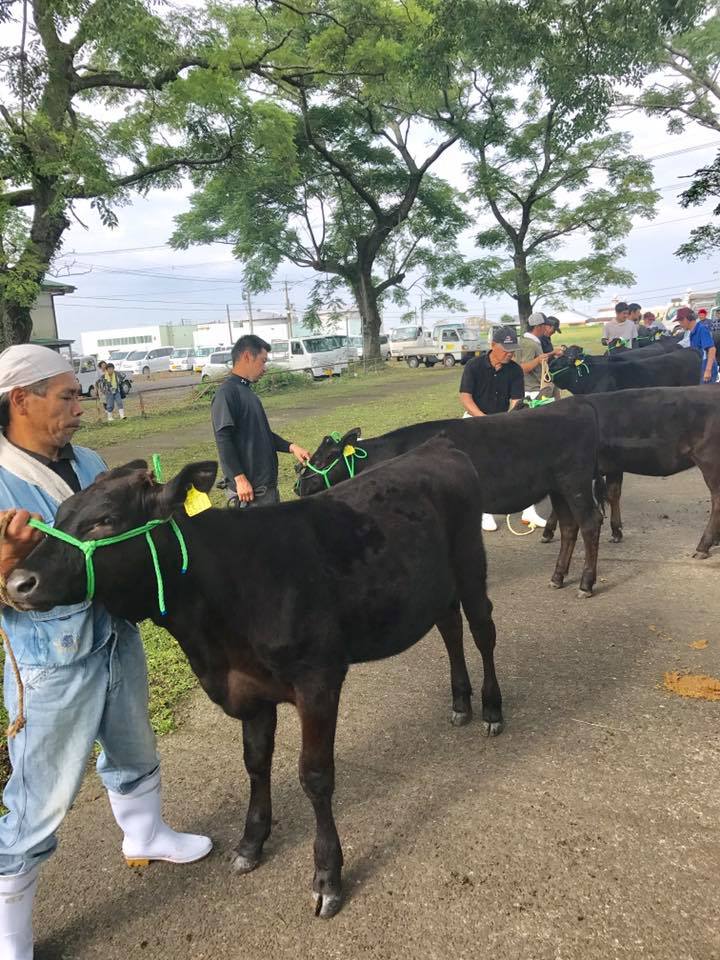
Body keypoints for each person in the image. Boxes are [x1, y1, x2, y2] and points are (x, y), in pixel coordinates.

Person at [0, 345, 211, 959]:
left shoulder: (88, 460)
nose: (81, 405)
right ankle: (11, 935)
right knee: (42, 793)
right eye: (67, 395)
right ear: (21, 400)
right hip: (52, 658)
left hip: (115, 631)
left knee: (132, 741)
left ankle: (145, 833)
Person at [211, 335, 311, 507]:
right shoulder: (227, 393)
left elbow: (261, 434)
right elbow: (223, 439)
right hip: (249, 496)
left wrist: (291, 447)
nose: (265, 368)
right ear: (247, 356)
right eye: (263, 361)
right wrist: (239, 478)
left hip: (266, 490)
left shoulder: (247, 392)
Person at [459, 325, 525, 531]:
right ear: (493, 345)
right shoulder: (474, 365)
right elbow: (465, 396)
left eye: (512, 349)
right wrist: (483, 419)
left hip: (503, 421)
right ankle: (483, 512)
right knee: (478, 467)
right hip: (474, 419)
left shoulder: (514, 370)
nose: (510, 353)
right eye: (506, 349)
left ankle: (528, 510)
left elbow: (516, 399)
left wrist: (507, 420)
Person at [517, 313, 564, 398]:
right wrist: (538, 360)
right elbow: (522, 368)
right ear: (538, 326)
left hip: (538, 388)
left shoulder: (532, 342)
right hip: (532, 392)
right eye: (545, 325)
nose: (546, 328)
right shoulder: (529, 344)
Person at [675, 306, 718, 383]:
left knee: (704, 393)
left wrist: (708, 370)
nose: (680, 324)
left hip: (706, 367)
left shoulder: (702, 329)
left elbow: (712, 349)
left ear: (688, 318)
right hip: (700, 366)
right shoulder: (692, 332)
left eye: (681, 321)